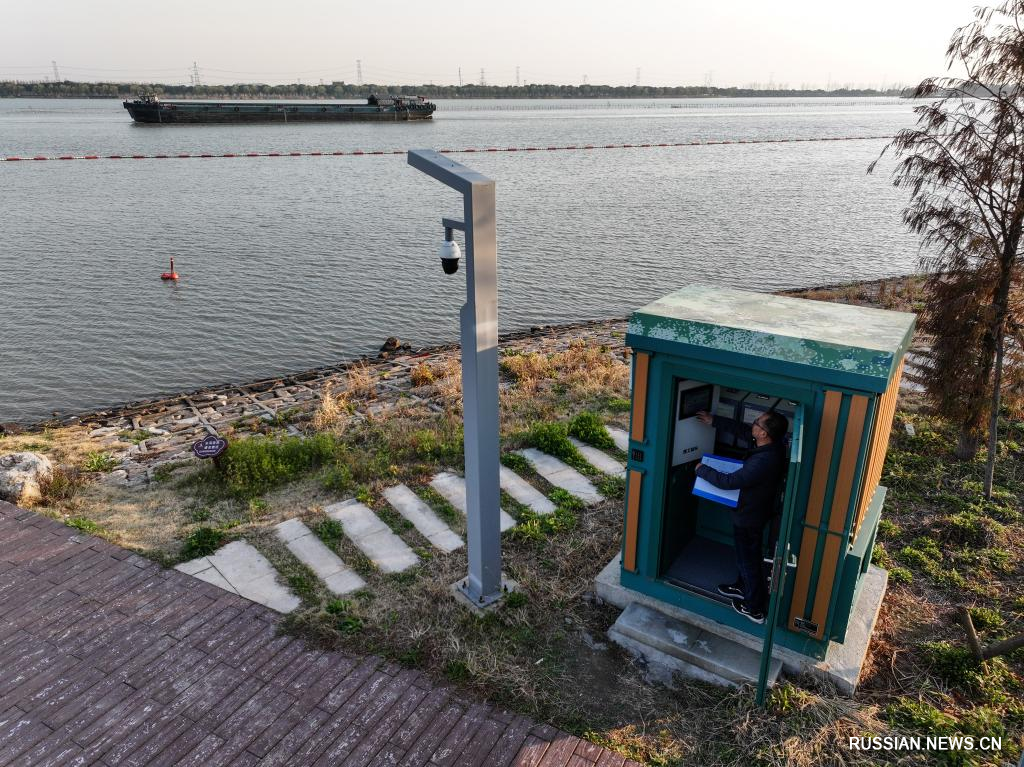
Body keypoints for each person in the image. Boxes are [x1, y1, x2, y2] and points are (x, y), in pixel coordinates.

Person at [694, 408, 789, 624]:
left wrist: (701, 470)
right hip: (755, 511)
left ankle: (754, 608)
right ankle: (742, 586)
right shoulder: (772, 444)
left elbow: (729, 482)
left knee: (748, 559)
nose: (753, 423)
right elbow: (744, 431)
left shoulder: (763, 460)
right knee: (746, 556)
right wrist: (714, 420)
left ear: (763, 433)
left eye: (757, 422)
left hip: (749, 517)